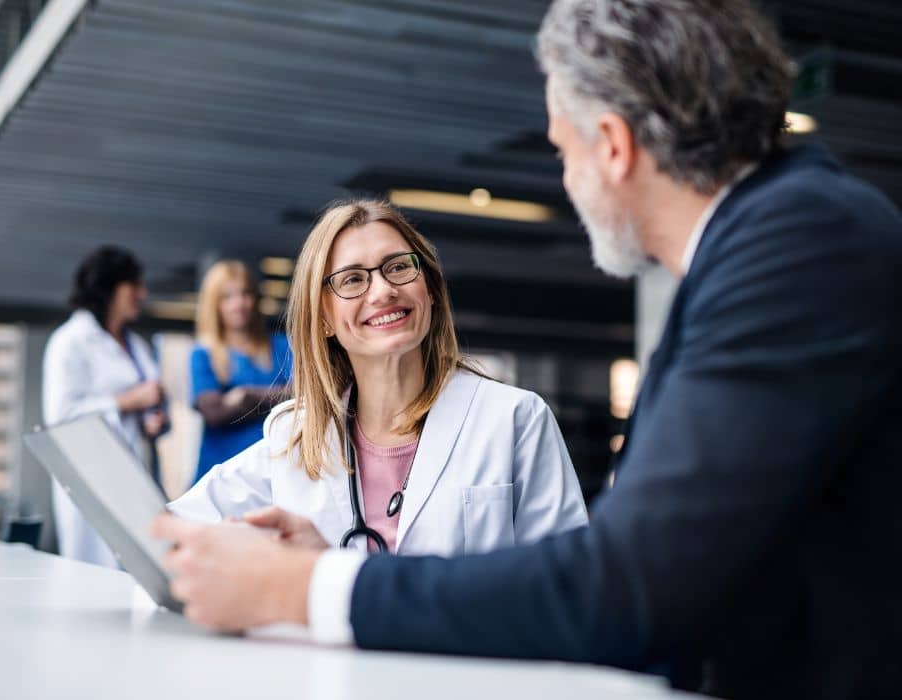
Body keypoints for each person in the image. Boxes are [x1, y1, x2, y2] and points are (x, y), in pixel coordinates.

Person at [152, 1, 902, 697]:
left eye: (561, 148)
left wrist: (303, 589)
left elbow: (627, 586)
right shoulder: (770, 242)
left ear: (611, 145)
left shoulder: (799, 246)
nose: (565, 175)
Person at [166, 200, 588, 558]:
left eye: (398, 267)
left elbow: (569, 589)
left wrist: (332, 576)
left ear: (431, 290)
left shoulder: (514, 418)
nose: (382, 290)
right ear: (324, 317)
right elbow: (166, 534)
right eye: (352, 279)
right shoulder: (294, 435)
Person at [45, 245, 166, 566]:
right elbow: (60, 417)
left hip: (135, 471)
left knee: (140, 568)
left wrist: (152, 419)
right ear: (109, 287)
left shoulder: (136, 344)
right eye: (134, 285)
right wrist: (128, 401)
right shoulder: (70, 342)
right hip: (91, 473)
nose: (143, 293)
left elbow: (148, 404)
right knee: (93, 570)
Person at [189, 260, 292, 484]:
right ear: (214, 304)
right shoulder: (203, 354)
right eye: (227, 297)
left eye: (245, 293)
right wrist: (277, 397)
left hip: (274, 471)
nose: (239, 303)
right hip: (222, 474)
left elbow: (304, 394)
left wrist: (245, 396)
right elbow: (214, 412)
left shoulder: (282, 346)